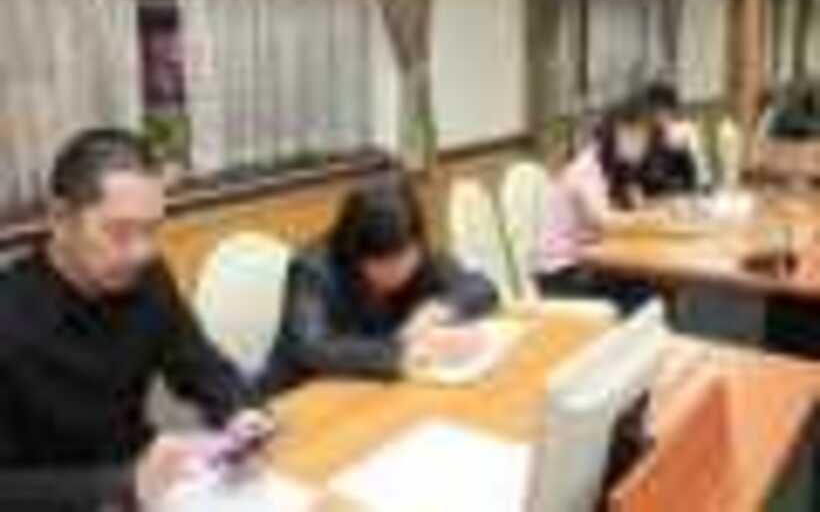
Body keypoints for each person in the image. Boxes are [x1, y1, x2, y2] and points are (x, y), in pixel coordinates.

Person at [0, 129, 270, 511]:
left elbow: (198, 363)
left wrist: (239, 409)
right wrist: (120, 486)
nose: (141, 252)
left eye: (152, 229)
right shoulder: (9, 314)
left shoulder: (148, 278)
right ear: (59, 218)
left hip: (146, 483)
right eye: (120, 231)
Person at [256, 175, 499, 393]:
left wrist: (439, 309)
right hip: (304, 397)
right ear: (354, 251)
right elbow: (313, 348)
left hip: (379, 392)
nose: (396, 273)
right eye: (381, 264)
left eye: (404, 258)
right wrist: (399, 354)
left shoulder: (420, 254)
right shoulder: (313, 269)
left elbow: (482, 288)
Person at [533, 101, 657, 315]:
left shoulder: (618, 166)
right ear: (615, 133)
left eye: (646, 137)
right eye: (635, 136)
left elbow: (638, 207)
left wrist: (645, 209)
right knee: (640, 291)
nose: (642, 144)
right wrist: (648, 218)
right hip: (563, 272)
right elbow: (605, 221)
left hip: (592, 260)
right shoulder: (587, 167)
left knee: (646, 286)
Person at [638, 82, 699, 197]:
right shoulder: (651, 134)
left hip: (678, 196)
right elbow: (644, 175)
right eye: (651, 110)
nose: (653, 115)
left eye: (657, 110)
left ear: (670, 110)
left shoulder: (681, 133)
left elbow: (691, 178)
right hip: (654, 197)